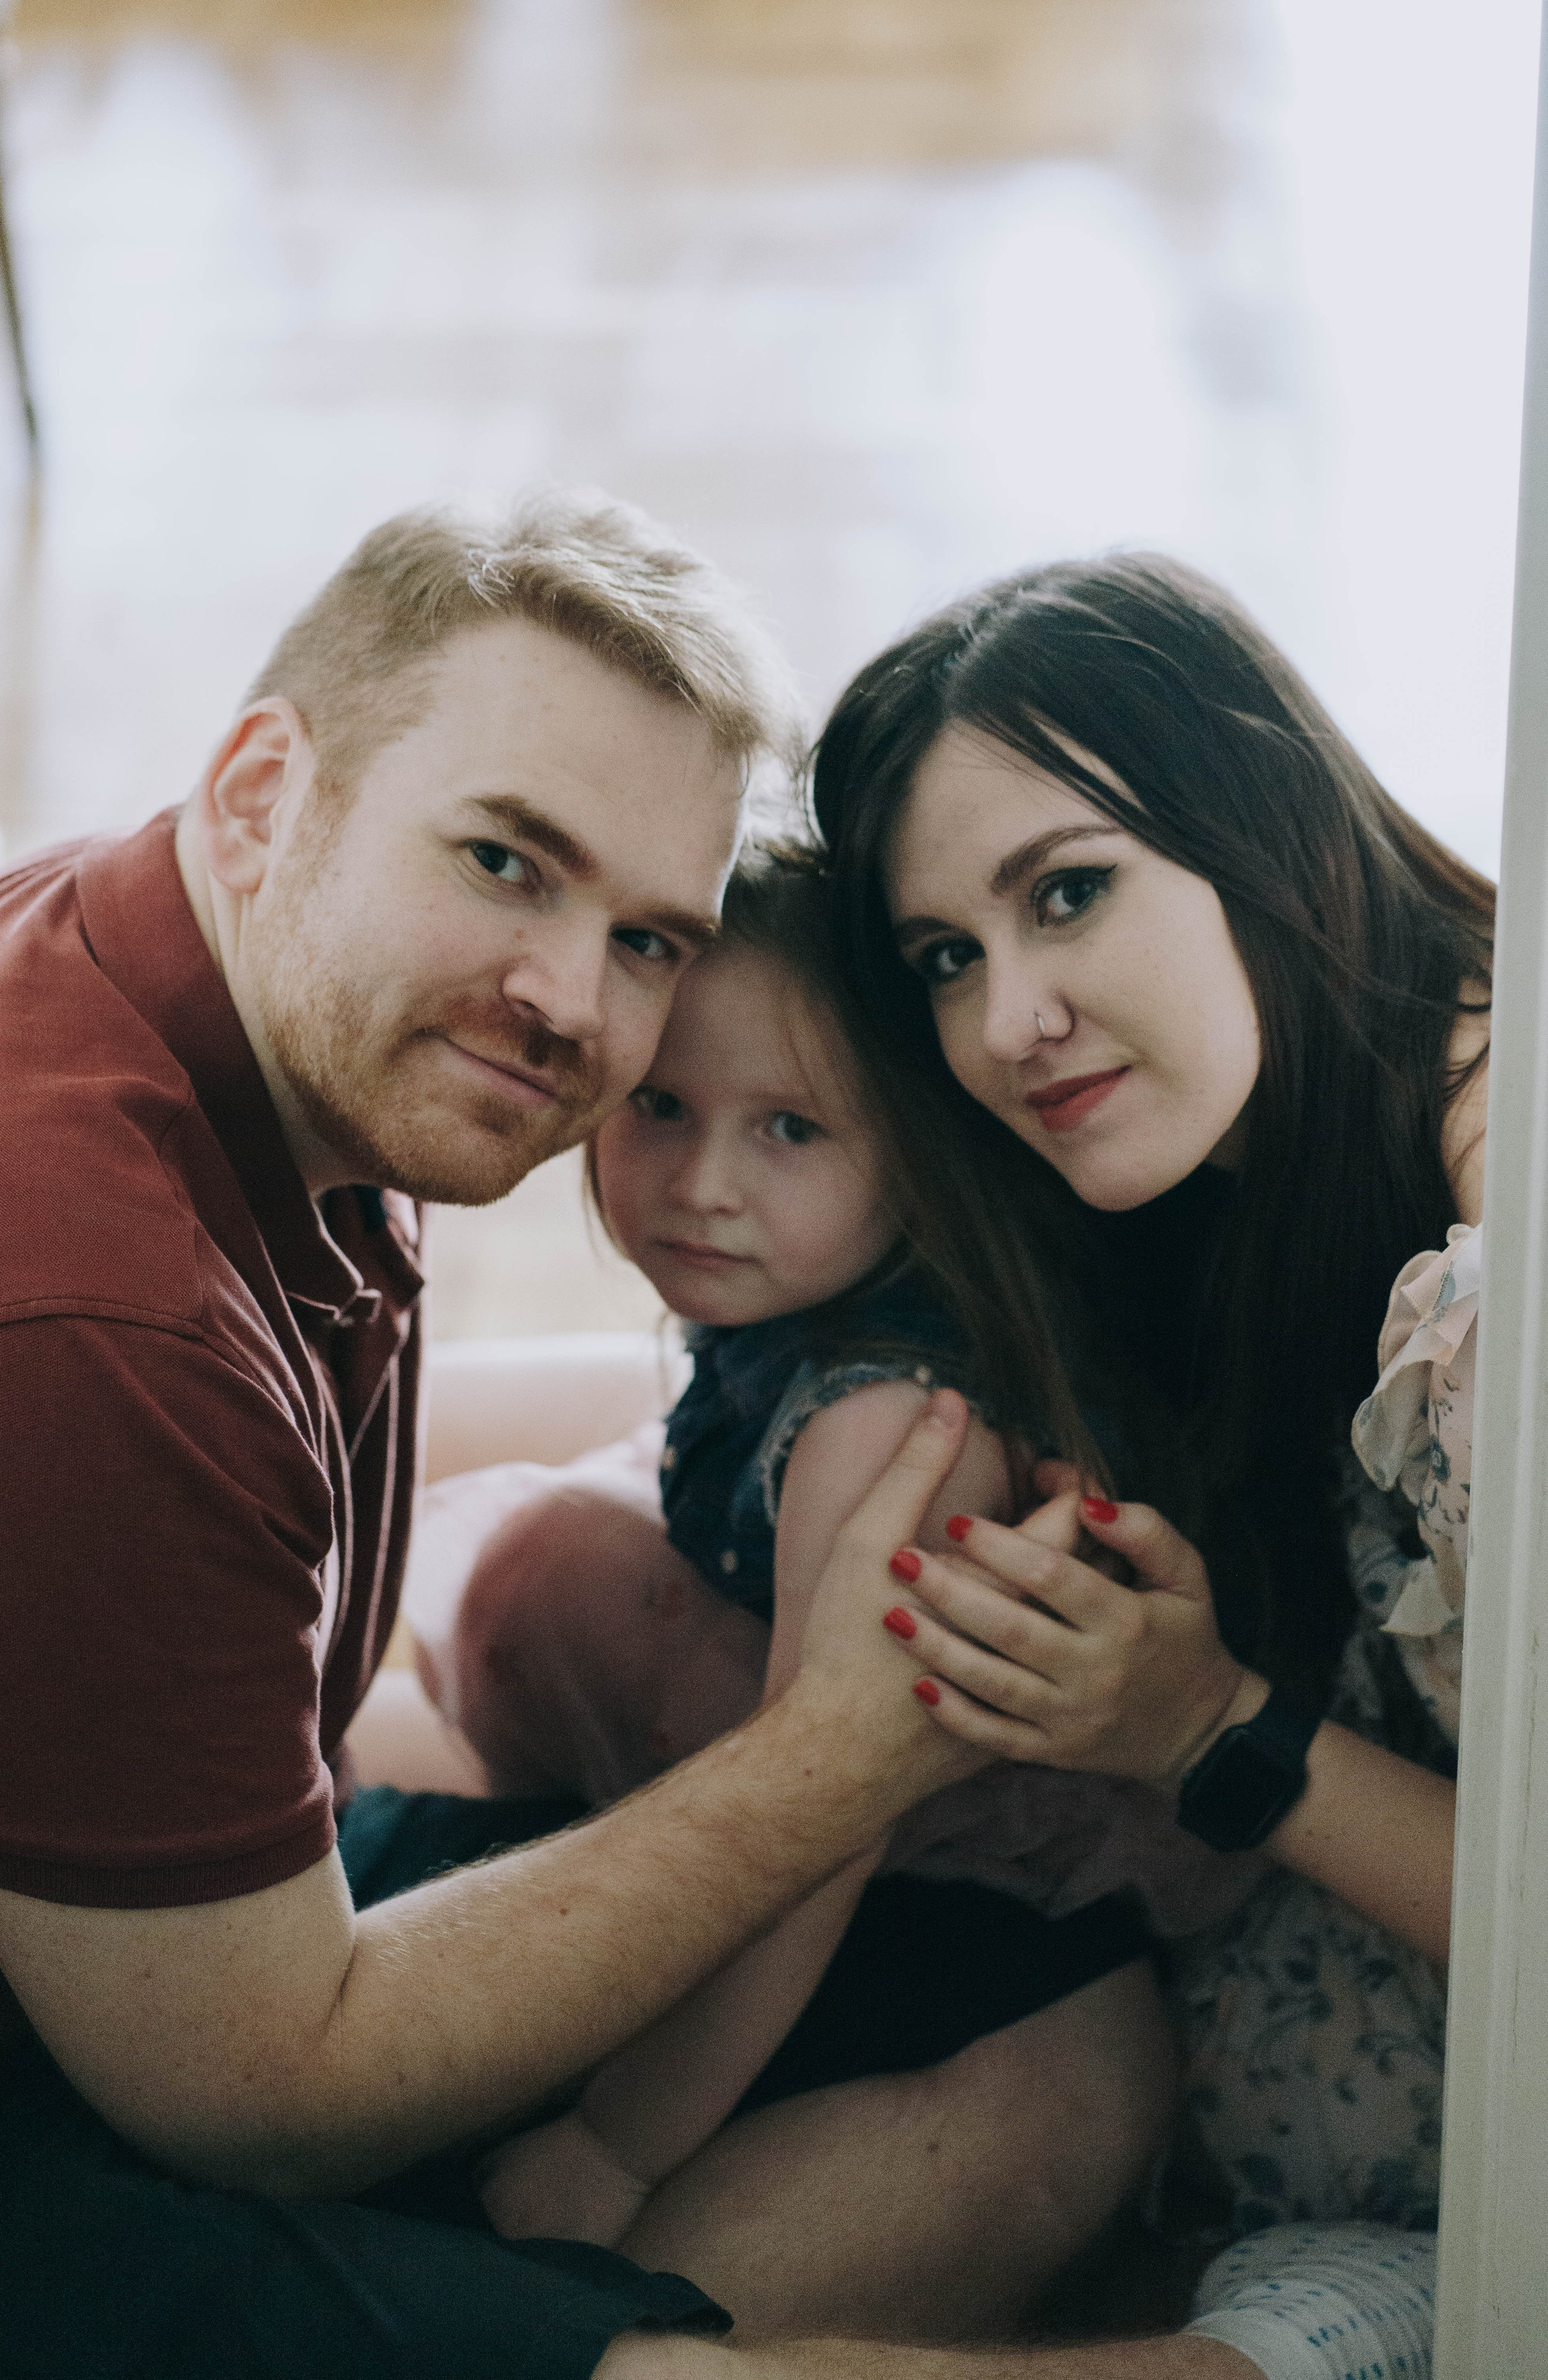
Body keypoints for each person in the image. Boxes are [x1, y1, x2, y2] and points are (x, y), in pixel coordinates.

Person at [0, 495, 1178, 2380]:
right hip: (66, 2089)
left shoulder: (230, 987)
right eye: (504, 861)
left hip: (145, 1935)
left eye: (647, 936)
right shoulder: (87, 1314)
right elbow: (263, 2097)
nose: (571, 1004)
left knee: (1069, 2021)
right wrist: (847, 1748)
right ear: (263, 793)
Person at [805, 549, 1484, 2374]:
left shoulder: (1494, 1264)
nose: (1002, 1025)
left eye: (1069, 893)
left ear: (1263, 822)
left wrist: (1209, 1731)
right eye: (946, 958)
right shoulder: (1217, 1191)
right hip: (1278, 2141)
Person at [416, 846, 1213, 2312]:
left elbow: (820, 1817)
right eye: (660, 1106)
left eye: (789, 1128)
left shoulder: (887, 1431)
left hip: (974, 1917)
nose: (700, 1186)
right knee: (532, 1563)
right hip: (847, 1849)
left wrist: (616, 2144)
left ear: (914, 1156)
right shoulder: (793, 1305)